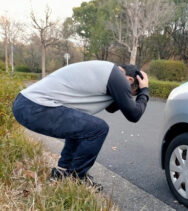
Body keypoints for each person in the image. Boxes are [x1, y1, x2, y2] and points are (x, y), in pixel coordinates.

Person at [12, 60, 149, 190]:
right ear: (130, 80)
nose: (128, 95)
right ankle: (76, 178)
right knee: (98, 129)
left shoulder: (109, 72)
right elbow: (134, 115)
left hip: (26, 104)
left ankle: (62, 171)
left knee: (83, 127)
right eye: (131, 93)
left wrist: (129, 95)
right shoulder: (118, 77)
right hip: (35, 107)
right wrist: (144, 91)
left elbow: (112, 108)